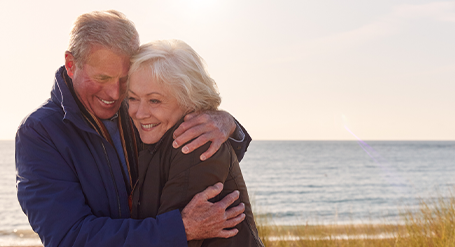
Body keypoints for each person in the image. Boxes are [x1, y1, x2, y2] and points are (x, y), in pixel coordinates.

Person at [15, 10, 251, 246]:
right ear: (71, 64)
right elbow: (69, 238)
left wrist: (226, 122)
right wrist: (180, 228)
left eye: (124, 79)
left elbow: (195, 163)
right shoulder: (39, 133)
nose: (115, 94)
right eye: (103, 77)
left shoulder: (137, 106)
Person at [127, 40, 264, 247]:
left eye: (154, 100)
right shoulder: (155, 139)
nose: (139, 113)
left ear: (189, 101)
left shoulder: (196, 144)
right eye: (132, 98)